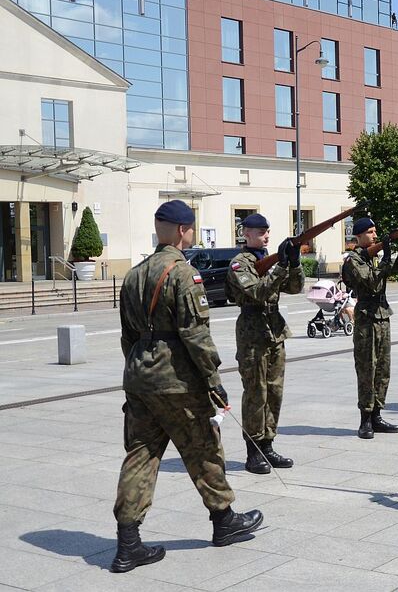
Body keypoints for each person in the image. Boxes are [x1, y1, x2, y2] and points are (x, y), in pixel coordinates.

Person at [112, 200, 263, 573]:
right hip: (178, 381)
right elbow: (196, 335)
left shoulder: (134, 274)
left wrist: (139, 369)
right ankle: (224, 521)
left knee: (140, 455)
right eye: (191, 229)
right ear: (182, 230)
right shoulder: (182, 273)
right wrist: (214, 382)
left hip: (140, 378)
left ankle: (128, 543)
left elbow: (127, 335)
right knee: (204, 449)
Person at [226, 214, 305, 474]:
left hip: (274, 332)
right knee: (255, 394)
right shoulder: (240, 264)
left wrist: (294, 264)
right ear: (245, 234)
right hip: (252, 336)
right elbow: (259, 293)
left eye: (267, 231)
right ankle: (253, 451)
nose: (266, 236)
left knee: (274, 392)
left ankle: (268, 445)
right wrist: (280, 266)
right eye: (260, 232)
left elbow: (295, 288)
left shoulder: (268, 261)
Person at [342, 217, 398, 439]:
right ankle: (365, 419)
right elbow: (371, 281)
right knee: (367, 369)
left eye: (375, 232)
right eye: (370, 232)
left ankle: (378, 415)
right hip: (366, 318)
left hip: (382, 316)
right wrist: (385, 257)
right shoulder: (353, 260)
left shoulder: (372, 258)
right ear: (359, 236)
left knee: (383, 368)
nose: (374, 235)